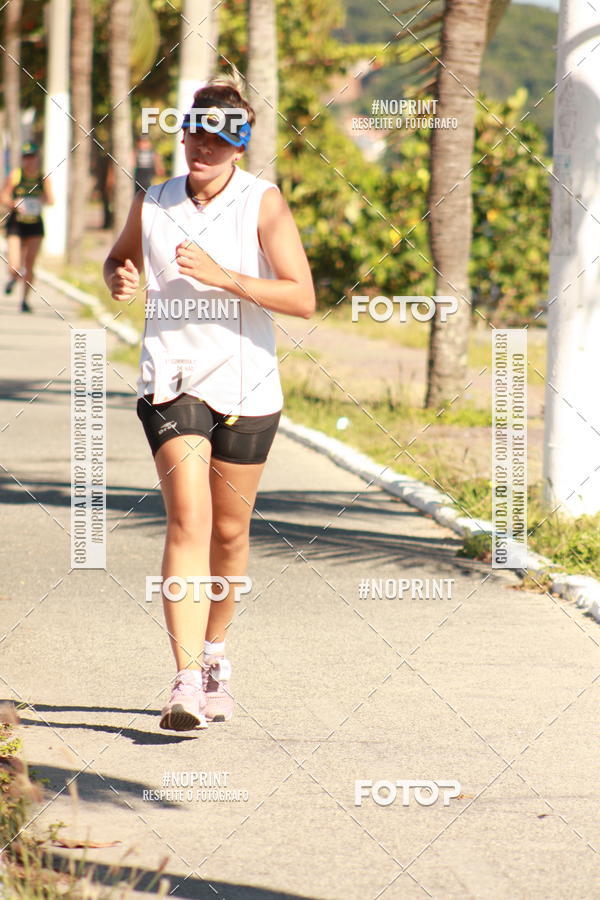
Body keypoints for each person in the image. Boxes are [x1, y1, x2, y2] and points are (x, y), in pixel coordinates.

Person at [103, 77, 315, 731]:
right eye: (196, 133)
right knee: (188, 521)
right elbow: (118, 260)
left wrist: (225, 278)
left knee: (229, 532)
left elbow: (302, 297)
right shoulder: (155, 200)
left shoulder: (262, 202)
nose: (204, 148)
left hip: (248, 384)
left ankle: (216, 653)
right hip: (172, 379)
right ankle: (186, 679)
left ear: (240, 145)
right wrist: (121, 277)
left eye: (220, 140)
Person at [1, 141, 54, 313]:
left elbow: (51, 200)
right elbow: (3, 196)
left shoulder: (42, 178)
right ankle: (13, 277)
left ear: (37, 158)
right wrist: (14, 204)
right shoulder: (16, 175)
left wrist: (39, 201)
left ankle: (24, 300)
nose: (29, 161)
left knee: (30, 264)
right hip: (16, 224)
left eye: (31, 157)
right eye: (26, 157)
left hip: (35, 225)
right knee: (14, 265)